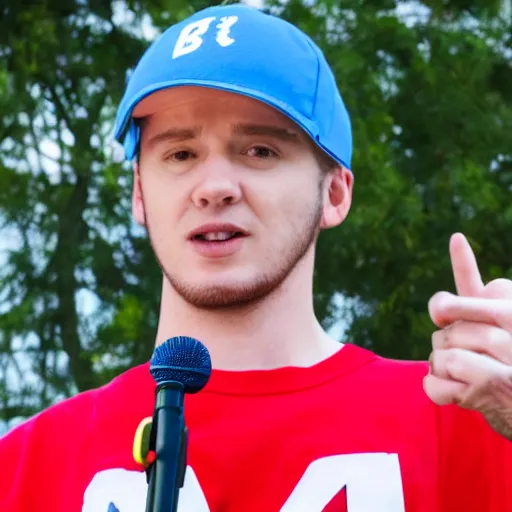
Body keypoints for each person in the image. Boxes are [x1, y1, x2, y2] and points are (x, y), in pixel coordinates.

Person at [1, 3, 511, 512]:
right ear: (138, 193)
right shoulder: (28, 468)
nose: (215, 188)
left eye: (260, 151)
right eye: (180, 154)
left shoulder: (470, 423)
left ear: (334, 193)